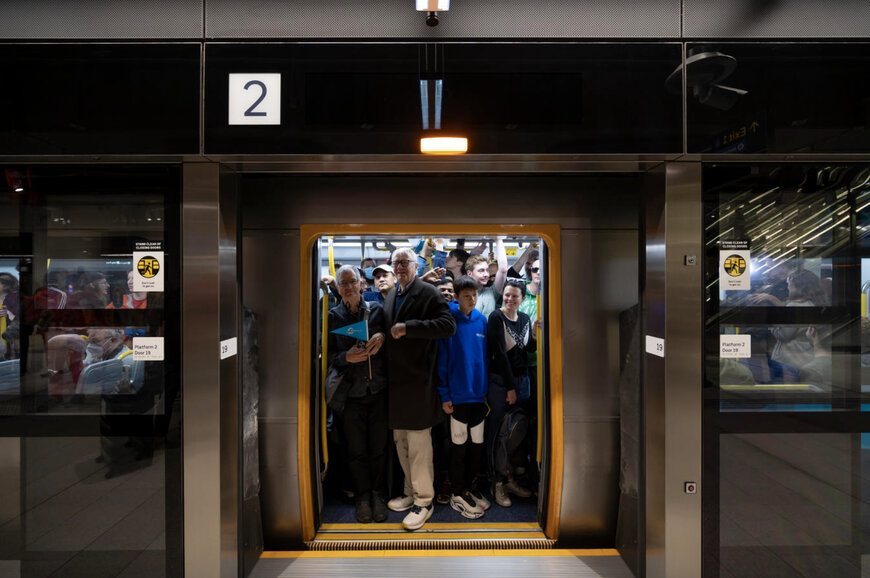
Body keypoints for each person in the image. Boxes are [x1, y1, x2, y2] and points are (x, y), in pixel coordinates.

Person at [383, 247, 456, 531]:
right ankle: (410, 492)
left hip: (419, 381)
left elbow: (447, 326)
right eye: (396, 262)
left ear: (416, 265)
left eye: (405, 262)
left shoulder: (428, 292)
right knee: (401, 442)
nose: (400, 267)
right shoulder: (393, 294)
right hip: (397, 384)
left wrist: (409, 327)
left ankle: (424, 501)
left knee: (418, 445)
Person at [327, 265, 389, 523]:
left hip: (378, 390)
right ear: (338, 288)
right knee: (356, 450)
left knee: (378, 447)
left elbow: (391, 342)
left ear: (361, 283)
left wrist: (382, 337)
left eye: (352, 281)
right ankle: (362, 496)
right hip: (350, 395)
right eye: (343, 283)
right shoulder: (332, 316)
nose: (349, 287)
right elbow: (326, 355)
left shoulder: (376, 310)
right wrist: (345, 357)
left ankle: (377, 494)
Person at [437, 275, 491, 519]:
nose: (472, 300)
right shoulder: (448, 320)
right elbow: (442, 360)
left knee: (476, 447)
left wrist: (485, 390)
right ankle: (457, 492)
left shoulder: (482, 320)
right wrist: (444, 394)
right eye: (466, 296)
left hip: (478, 396)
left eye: (474, 295)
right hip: (457, 396)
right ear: (456, 297)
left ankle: (469, 487)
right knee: (458, 448)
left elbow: (485, 358)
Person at [486, 279, 539, 507]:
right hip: (501, 383)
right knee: (498, 432)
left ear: (522, 298)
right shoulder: (496, 318)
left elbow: (527, 351)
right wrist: (509, 388)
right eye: (507, 295)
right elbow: (499, 354)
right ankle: (497, 482)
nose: (509, 299)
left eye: (514, 296)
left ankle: (510, 478)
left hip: (522, 381)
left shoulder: (525, 319)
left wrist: (534, 336)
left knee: (516, 432)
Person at [465, 237, 508, 318]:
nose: (486, 274)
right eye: (481, 271)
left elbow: (503, 270)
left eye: (487, 270)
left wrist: (498, 239)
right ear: (469, 273)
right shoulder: (461, 294)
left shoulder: (492, 292)